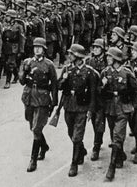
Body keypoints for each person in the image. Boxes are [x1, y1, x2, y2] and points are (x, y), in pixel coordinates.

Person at [99, 46, 137, 181]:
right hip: (110, 107)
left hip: (123, 108)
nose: (107, 59)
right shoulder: (105, 72)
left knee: (118, 135)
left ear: (117, 59)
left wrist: (133, 106)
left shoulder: (127, 73)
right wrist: (103, 85)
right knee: (114, 134)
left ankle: (111, 168)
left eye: (110, 57)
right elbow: (98, 91)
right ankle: (119, 156)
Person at [19, 37, 58, 172]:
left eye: (39, 47)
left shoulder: (49, 65)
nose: (37, 49)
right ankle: (44, 145)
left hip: (42, 98)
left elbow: (54, 84)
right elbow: (22, 81)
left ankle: (33, 160)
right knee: (32, 125)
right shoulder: (27, 62)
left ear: (44, 50)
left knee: (36, 128)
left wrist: (54, 102)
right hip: (29, 95)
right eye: (35, 47)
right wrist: (24, 70)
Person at [58, 43, 97, 177]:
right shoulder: (67, 69)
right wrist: (63, 80)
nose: (69, 56)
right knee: (70, 132)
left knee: (77, 135)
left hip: (82, 106)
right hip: (69, 104)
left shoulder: (89, 71)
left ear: (78, 57)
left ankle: (74, 164)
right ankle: (81, 150)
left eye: (71, 54)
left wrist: (90, 110)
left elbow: (92, 92)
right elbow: (59, 86)